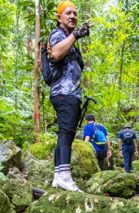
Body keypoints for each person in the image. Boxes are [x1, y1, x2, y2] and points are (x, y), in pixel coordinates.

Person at [46, 1, 90, 191]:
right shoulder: (58, 34)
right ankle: (65, 176)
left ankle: (58, 176)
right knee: (66, 133)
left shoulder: (67, 37)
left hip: (68, 94)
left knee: (66, 133)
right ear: (59, 17)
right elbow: (55, 54)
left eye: (75, 13)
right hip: (64, 93)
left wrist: (75, 36)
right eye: (68, 13)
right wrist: (76, 34)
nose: (73, 16)